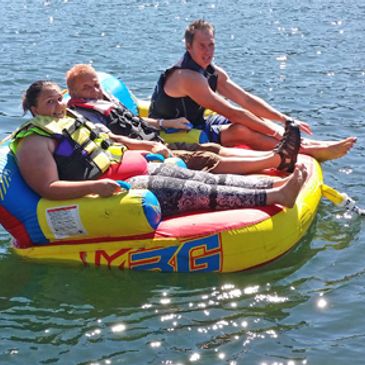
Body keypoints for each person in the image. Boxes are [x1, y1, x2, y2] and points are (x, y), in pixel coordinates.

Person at [11, 80, 307, 218]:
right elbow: (49, 187)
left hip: (128, 165)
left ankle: (273, 182)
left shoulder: (69, 119)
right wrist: (97, 185)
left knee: (199, 177)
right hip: (113, 187)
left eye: (58, 99)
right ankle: (275, 195)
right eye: (50, 103)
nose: (59, 105)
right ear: (34, 109)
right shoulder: (34, 141)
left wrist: (146, 145)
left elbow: (112, 141)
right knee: (190, 190)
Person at [149, 19, 357, 161]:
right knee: (242, 129)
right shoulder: (188, 77)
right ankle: (304, 150)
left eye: (211, 45)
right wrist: (278, 132)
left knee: (255, 120)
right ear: (189, 46)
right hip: (172, 132)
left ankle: (311, 145)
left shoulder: (211, 72)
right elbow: (232, 112)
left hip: (197, 123)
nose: (208, 52)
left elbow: (245, 100)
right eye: (202, 46)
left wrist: (284, 120)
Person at [66, 63, 300, 174]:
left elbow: (134, 121)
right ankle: (276, 161)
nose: (95, 90)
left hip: (155, 140)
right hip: (142, 154)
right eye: (88, 88)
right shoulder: (84, 113)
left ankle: (273, 155)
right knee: (204, 159)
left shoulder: (103, 98)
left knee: (209, 147)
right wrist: (148, 145)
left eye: (96, 84)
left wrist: (166, 124)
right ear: (75, 93)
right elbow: (110, 139)